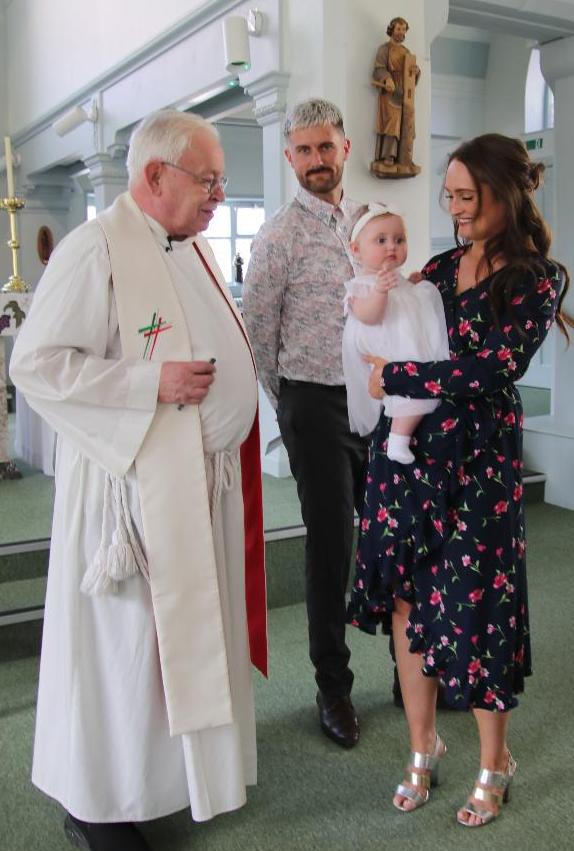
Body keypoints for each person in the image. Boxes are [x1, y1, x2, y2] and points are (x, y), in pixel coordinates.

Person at [10, 109, 267, 851]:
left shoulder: (184, 245)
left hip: (197, 484)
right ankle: (99, 806)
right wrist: (149, 381)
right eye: (209, 178)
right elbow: (37, 365)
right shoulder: (95, 250)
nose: (220, 192)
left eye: (222, 179)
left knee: (172, 648)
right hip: (130, 498)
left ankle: (165, 779)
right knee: (125, 648)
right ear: (156, 176)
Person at [347, 133, 569, 826]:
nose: (454, 208)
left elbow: (494, 368)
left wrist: (400, 377)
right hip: (410, 459)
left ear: (506, 194)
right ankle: (422, 746)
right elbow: (382, 327)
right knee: (408, 604)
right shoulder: (438, 266)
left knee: (473, 609)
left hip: (479, 464)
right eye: (448, 195)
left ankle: (491, 759)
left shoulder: (536, 278)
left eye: (466, 196)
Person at [243, 98, 368, 749]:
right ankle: (333, 686)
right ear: (288, 157)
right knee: (330, 545)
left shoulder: (368, 222)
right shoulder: (277, 236)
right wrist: (290, 403)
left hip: (376, 401)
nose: (316, 161)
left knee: (396, 530)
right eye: (303, 150)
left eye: (325, 147)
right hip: (312, 404)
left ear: (344, 148)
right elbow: (257, 335)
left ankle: (411, 667)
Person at [342, 202, 449, 463]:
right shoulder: (361, 286)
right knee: (408, 397)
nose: (392, 246)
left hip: (406, 347)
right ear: (356, 250)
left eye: (399, 240)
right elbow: (369, 316)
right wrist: (380, 292)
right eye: (381, 240)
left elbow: (409, 309)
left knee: (421, 394)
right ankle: (398, 441)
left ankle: (400, 438)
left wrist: (411, 287)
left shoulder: (397, 280)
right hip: (386, 349)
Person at [371, 17, 420, 177]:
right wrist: (387, 79)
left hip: (404, 93)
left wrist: (416, 72)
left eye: (404, 29)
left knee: (407, 123)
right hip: (390, 92)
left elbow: (411, 77)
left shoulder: (406, 52)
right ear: (392, 29)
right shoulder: (384, 49)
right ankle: (388, 156)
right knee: (393, 122)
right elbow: (378, 69)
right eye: (398, 29)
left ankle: (404, 157)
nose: (401, 32)